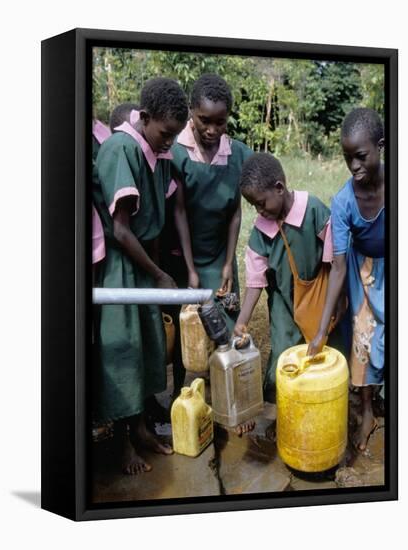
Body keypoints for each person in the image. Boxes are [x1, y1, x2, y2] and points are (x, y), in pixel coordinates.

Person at [93, 77, 197, 475]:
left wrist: (159, 274)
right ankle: (122, 445)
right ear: (146, 118)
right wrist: (157, 274)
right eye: (166, 134)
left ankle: (139, 431)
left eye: (174, 136)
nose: (170, 142)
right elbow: (120, 230)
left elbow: (158, 215)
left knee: (146, 350)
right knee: (122, 354)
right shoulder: (122, 149)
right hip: (122, 268)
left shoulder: (158, 151)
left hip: (143, 266)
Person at [166, 74, 253, 424]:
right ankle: (179, 401)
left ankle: (228, 402)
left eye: (220, 121)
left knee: (225, 330)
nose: (212, 129)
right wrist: (189, 269)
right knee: (185, 333)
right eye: (204, 120)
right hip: (185, 255)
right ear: (191, 113)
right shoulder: (176, 153)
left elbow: (235, 212)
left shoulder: (238, 154)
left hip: (221, 255)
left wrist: (230, 263)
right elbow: (180, 211)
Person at [308, 108, 385, 453]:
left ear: (381, 146)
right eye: (347, 158)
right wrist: (322, 330)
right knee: (364, 341)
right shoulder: (342, 202)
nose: (354, 166)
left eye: (361, 156)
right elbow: (338, 266)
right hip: (363, 272)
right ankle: (367, 410)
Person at [234, 152, 334, 406]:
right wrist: (242, 321)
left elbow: (336, 259)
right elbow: (255, 281)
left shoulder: (313, 210)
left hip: (319, 292)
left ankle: (322, 398)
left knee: (324, 349)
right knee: (284, 352)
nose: (259, 210)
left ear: (279, 188)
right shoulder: (260, 230)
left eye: (261, 203)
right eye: (253, 206)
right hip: (282, 301)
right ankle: (282, 403)